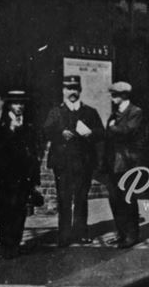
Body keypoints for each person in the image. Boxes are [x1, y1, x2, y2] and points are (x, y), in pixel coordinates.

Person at [43, 75, 104, 246]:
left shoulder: (90, 112)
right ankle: (64, 234)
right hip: (62, 164)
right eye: (69, 88)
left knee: (81, 198)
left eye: (75, 89)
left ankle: (81, 232)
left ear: (80, 90)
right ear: (63, 90)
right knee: (64, 198)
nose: (72, 92)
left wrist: (90, 133)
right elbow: (46, 131)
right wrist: (60, 134)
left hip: (83, 163)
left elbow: (100, 133)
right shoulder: (55, 112)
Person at [0, 90, 41, 259]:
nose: (19, 106)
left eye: (22, 103)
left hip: (23, 177)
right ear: (9, 105)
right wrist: (11, 132)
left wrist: (34, 177)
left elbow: (33, 151)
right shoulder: (1, 124)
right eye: (16, 103)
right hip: (6, 177)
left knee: (20, 211)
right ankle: (6, 246)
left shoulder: (28, 124)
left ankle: (15, 243)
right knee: (7, 211)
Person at [103, 82, 145, 248]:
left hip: (128, 162)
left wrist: (113, 128)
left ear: (125, 96)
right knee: (114, 198)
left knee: (128, 198)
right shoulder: (115, 114)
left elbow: (128, 131)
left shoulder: (135, 112)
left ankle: (132, 235)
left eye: (115, 95)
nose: (112, 98)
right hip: (113, 162)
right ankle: (121, 233)